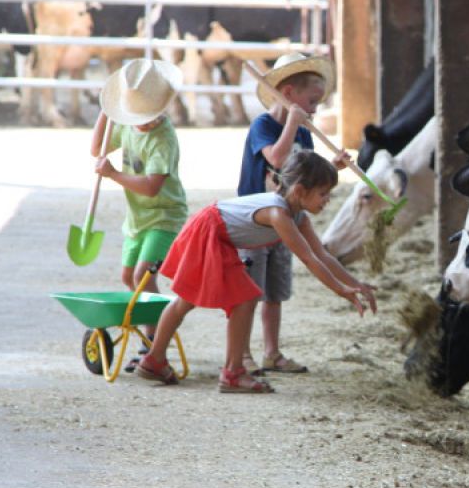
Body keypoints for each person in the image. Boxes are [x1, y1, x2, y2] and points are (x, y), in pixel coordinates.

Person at [137, 150, 376, 392]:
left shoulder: (298, 216)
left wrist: (356, 284)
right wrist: (339, 289)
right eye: (323, 194)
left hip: (216, 234)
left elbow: (323, 254)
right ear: (300, 191)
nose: (328, 200)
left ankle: (156, 360)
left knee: (197, 300)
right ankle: (230, 373)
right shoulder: (278, 214)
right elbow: (308, 258)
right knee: (226, 298)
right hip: (208, 231)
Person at [237, 53, 349, 375]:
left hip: (286, 219)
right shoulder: (265, 126)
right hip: (255, 221)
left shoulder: (303, 132)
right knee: (249, 293)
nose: (315, 109)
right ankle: (243, 354)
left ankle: (271, 353)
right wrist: (292, 122)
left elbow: (306, 174)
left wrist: (333, 167)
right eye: (312, 101)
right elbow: (276, 157)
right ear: (288, 95)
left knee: (275, 293)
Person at [91, 59, 188, 347]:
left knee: (142, 276)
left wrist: (113, 174)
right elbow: (97, 148)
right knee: (127, 277)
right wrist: (106, 110)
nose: (143, 120)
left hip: (164, 216)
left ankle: (154, 342)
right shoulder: (130, 126)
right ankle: (154, 331)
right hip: (137, 219)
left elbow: (151, 186)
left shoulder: (163, 139)